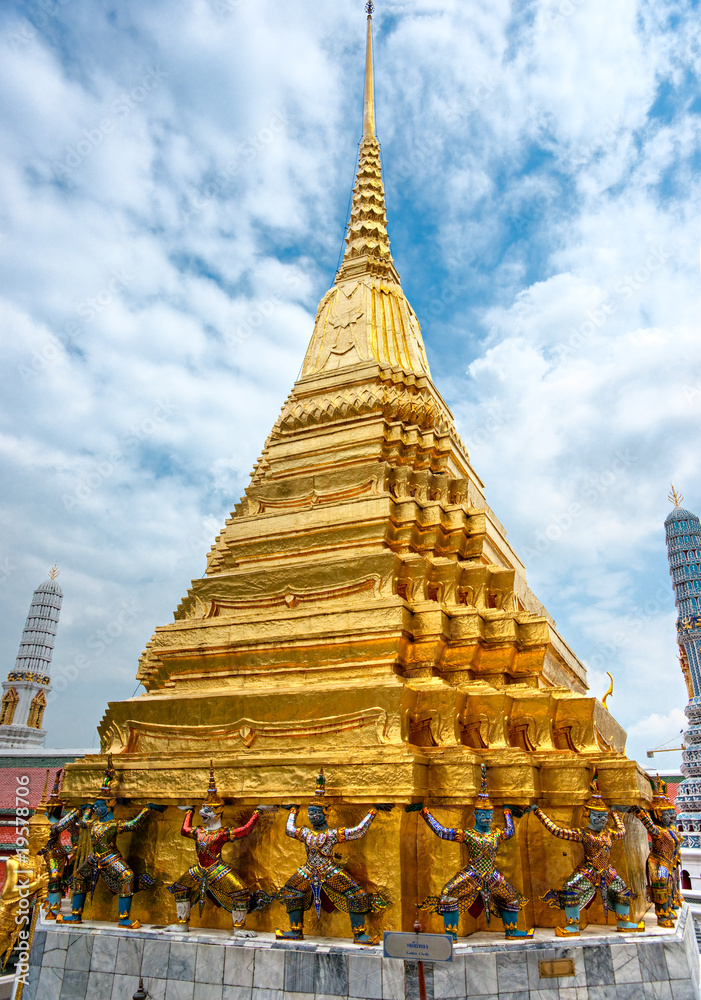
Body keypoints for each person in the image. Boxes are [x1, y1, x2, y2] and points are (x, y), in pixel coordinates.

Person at [416, 764, 531, 939]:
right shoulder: (468, 834)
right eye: (483, 815)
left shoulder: (496, 834)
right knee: (447, 894)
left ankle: (512, 930)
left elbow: (510, 831)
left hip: (492, 875)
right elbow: (441, 831)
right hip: (473, 873)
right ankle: (451, 934)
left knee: (512, 897)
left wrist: (507, 811)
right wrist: (425, 812)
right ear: (475, 815)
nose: (487, 818)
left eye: (490, 815)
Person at [276, 770, 391, 944]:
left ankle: (359, 935)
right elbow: (289, 830)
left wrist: (373, 811)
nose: (313, 816)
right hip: (308, 870)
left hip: (329, 870)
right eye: (310, 813)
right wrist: (293, 811)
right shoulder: (305, 832)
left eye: (316, 813)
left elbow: (358, 831)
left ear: (326, 813)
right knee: (291, 891)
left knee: (357, 893)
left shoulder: (331, 834)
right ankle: (295, 930)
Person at [527, 768, 643, 936]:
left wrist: (615, 813)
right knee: (570, 889)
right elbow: (557, 831)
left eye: (603, 817)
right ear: (588, 816)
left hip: (607, 871)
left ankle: (624, 921)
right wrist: (538, 812)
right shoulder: (584, 834)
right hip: (589, 871)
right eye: (597, 817)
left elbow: (622, 830)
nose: (602, 820)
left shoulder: (608, 833)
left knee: (623, 891)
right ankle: (573, 926)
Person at [57, 755, 163, 929]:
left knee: (127, 876)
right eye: (96, 805)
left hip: (110, 858)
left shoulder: (113, 824)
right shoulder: (94, 823)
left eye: (100, 805)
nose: (97, 808)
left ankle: (123, 919)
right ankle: (76, 915)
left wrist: (147, 809)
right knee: (77, 876)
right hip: (94, 858)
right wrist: (86, 810)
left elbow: (133, 825)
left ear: (109, 805)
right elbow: (83, 823)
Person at [168, 763, 273, 933]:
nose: (203, 813)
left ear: (217, 812)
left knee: (240, 891)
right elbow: (184, 830)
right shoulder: (199, 831)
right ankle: (182, 924)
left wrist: (258, 812)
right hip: (199, 869)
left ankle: (239, 928)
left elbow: (244, 830)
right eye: (202, 810)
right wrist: (189, 812)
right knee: (180, 888)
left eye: (206, 810)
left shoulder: (222, 833)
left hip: (217, 869)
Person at [631, 776, 683, 927]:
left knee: (670, 885)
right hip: (659, 863)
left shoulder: (672, 829)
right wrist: (640, 813)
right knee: (660, 887)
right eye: (667, 814)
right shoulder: (659, 831)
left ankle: (669, 908)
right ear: (659, 816)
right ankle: (662, 915)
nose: (672, 816)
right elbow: (649, 826)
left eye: (672, 813)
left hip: (669, 862)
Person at [40, 769, 81, 920]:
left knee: (60, 879)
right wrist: (77, 811)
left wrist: (58, 780)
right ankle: (53, 910)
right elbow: (63, 824)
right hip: (51, 856)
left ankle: (53, 905)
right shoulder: (48, 825)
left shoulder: (50, 821)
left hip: (60, 854)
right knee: (55, 879)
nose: (59, 810)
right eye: (57, 808)